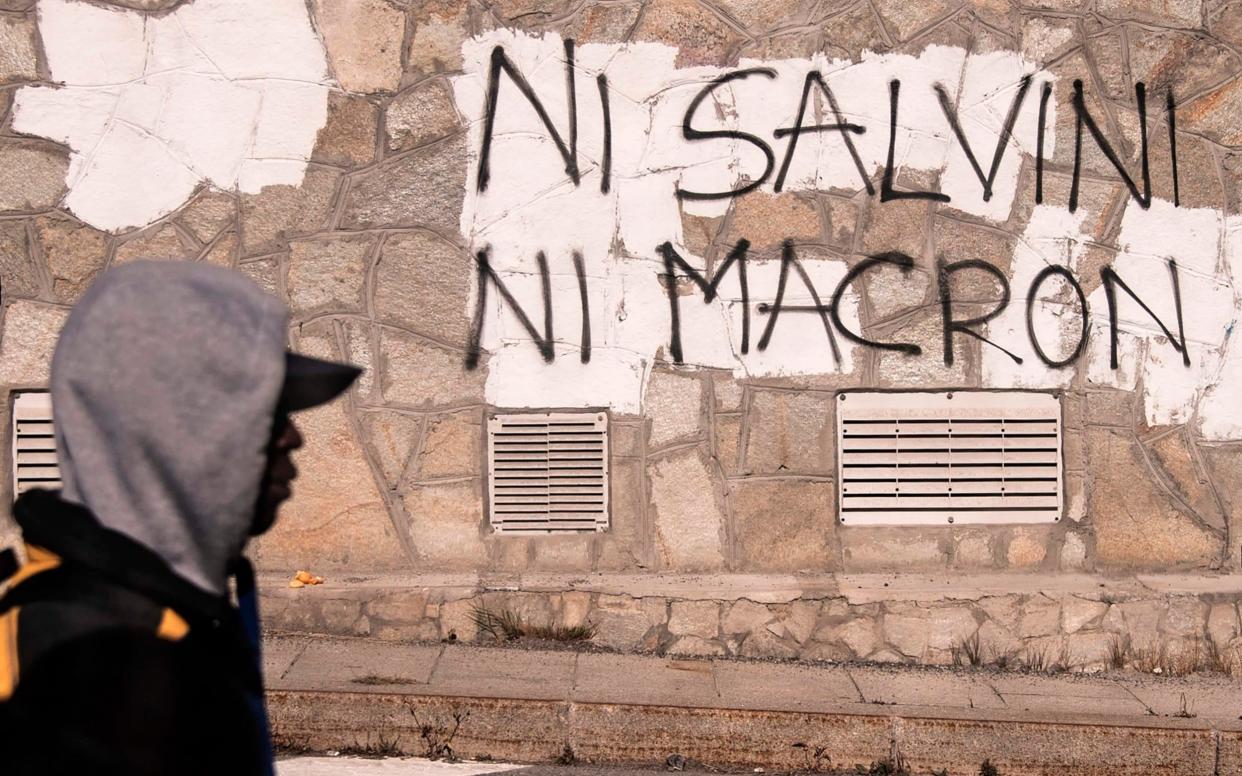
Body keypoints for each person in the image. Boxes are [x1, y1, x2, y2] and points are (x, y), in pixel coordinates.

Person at [0, 261, 361, 775]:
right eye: (268, 411)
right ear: (177, 431)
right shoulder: (102, 665)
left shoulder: (159, 609)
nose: (293, 436)